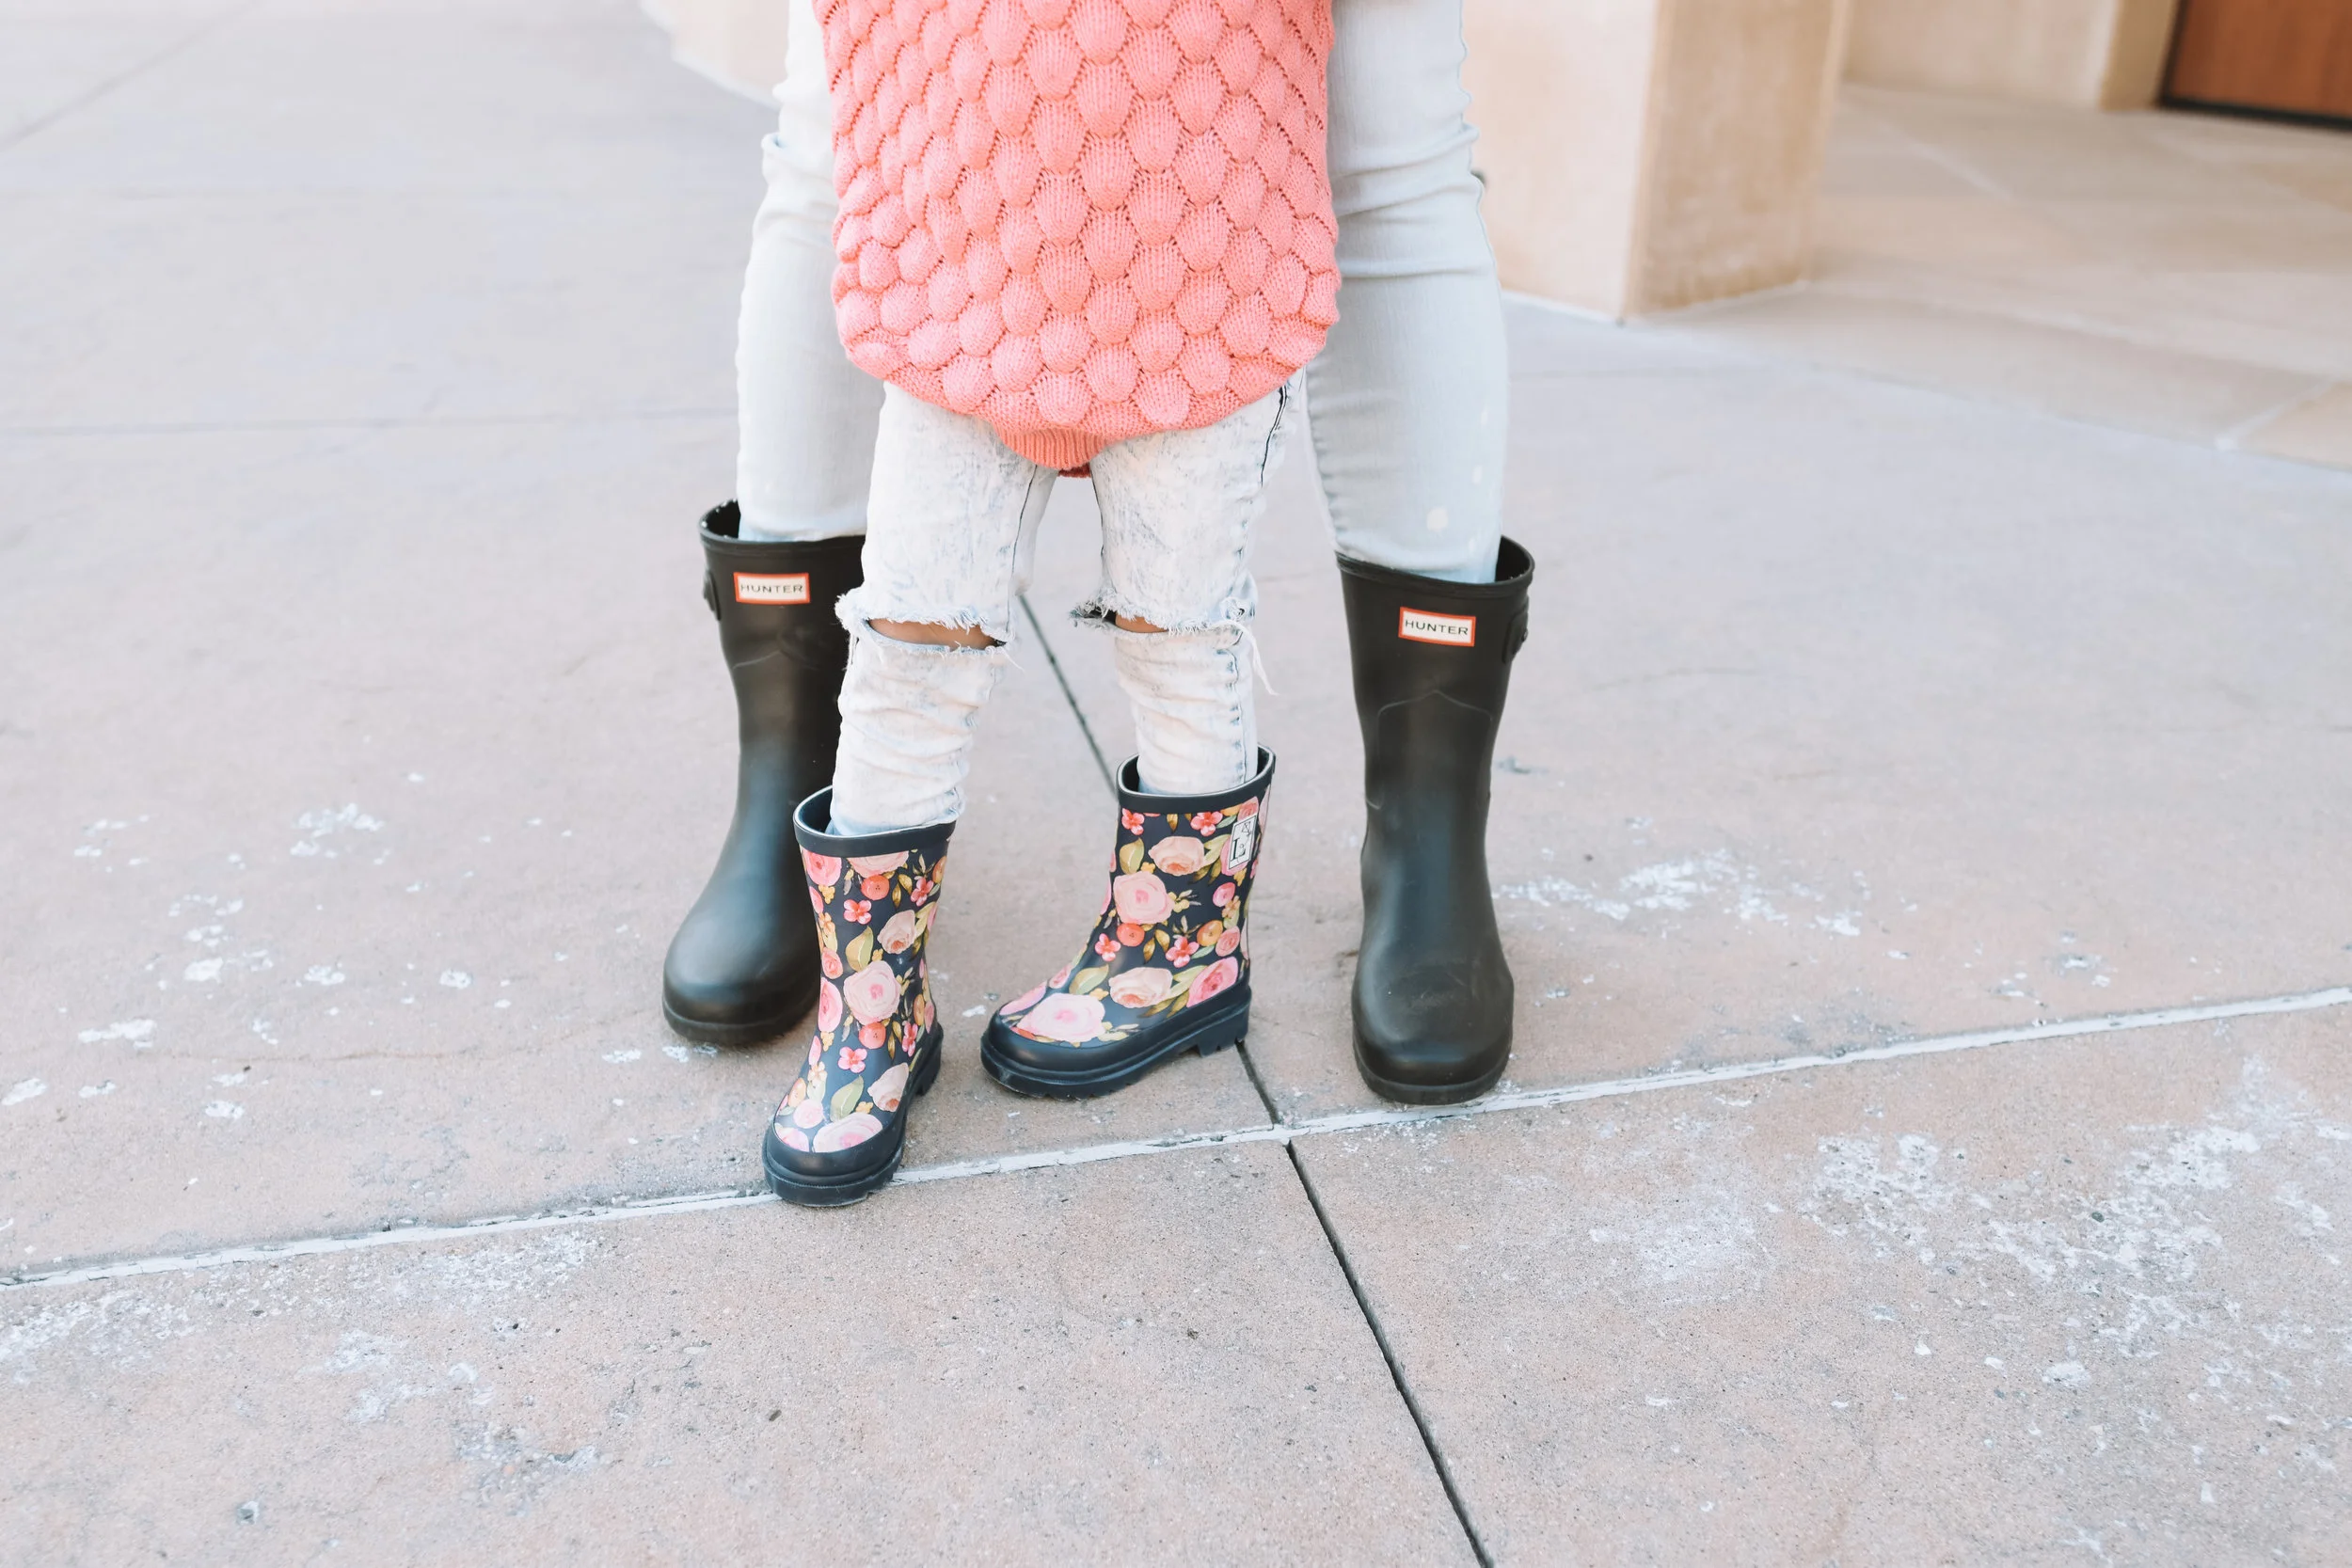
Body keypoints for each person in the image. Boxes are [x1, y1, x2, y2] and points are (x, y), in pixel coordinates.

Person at [662, 0, 1536, 1165]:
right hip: (954, 256)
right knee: (832, 157)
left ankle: (1269, 906)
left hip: (1204, 247)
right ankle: (862, 974)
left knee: (1399, 151)